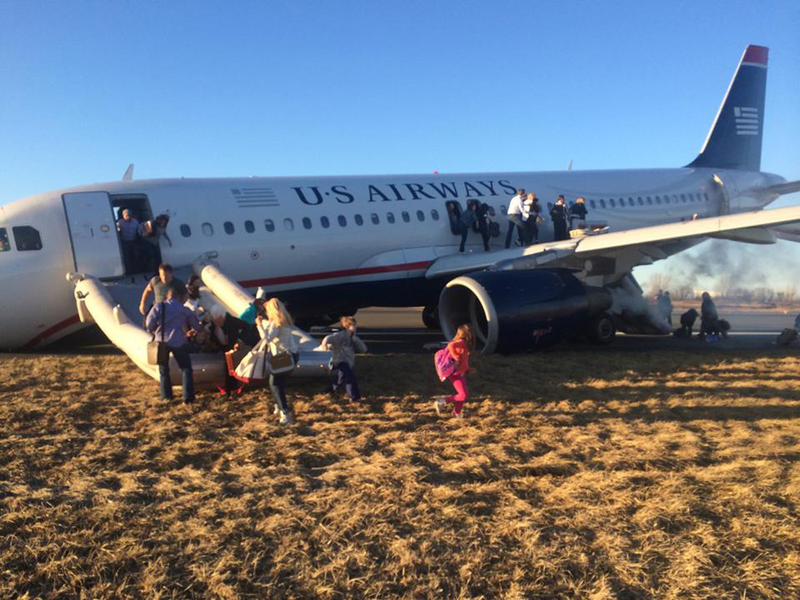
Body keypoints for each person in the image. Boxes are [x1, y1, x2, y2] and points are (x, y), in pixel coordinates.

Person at [145, 288, 202, 404]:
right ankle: (188, 398)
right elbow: (196, 325)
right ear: (179, 297)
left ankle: (166, 397)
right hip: (178, 341)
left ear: (167, 297)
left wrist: (155, 330)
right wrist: (199, 329)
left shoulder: (159, 306)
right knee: (186, 369)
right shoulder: (184, 309)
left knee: (164, 370)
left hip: (161, 342)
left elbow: (149, 323)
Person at [258, 298, 299, 425]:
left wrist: (258, 325)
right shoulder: (284, 321)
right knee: (277, 383)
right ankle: (278, 406)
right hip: (291, 355)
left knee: (275, 384)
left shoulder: (275, 323)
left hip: (283, 358)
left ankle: (285, 413)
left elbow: (266, 338)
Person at [321, 316, 368, 403]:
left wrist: (355, 340)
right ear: (346, 326)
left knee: (340, 380)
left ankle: (328, 391)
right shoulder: (340, 336)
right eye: (351, 325)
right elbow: (327, 338)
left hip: (348, 362)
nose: (354, 327)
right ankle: (354, 397)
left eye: (354, 325)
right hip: (339, 361)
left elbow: (364, 349)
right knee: (351, 376)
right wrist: (325, 348)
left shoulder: (354, 338)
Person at [434, 323, 475, 419]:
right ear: (467, 334)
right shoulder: (462, 342)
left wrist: (468, 368)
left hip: (460, 372)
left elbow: (464, 359)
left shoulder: (463, 343)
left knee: (463, 394)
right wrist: (456, 357)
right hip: (456, 373)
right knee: (463, 395)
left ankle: (457, 413)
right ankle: (443, 401)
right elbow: (450, 345)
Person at [116, 208, 140, 273]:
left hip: (134, 241)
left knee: (136, 255)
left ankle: (137, 270)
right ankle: (128, 270)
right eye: (126, 215)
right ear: (123, 216)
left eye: (129, 215)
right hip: (125, 241)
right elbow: (117, 230)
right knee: (127, 256)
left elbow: (140, 230)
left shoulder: (135, 221)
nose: (128, 216)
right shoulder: (120, 222)